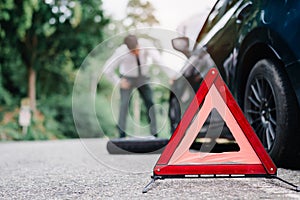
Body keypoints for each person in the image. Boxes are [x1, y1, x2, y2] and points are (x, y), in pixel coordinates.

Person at [104, 34, 160, 138]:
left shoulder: (146, 44)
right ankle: (121, 135)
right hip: (127, 79)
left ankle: (155, 134)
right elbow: (107, 68)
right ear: (127, 48)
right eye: (133, 51)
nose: (136, 53)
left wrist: (172, 75)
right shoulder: (121, 51)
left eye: (137, 49)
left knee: (150, 102)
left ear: (138, 43)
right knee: (124, 104)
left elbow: (158, 59)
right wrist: (119, 82)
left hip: (143, 77)